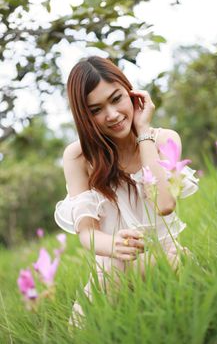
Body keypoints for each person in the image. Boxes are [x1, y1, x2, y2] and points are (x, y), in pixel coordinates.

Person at [54, 56, 199, 327]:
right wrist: (114, 245)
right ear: (84, 116)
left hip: (164, 257)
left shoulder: (164, 139)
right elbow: (86, 232)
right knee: (82, 326)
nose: (112, 114)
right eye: (96, 109)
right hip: (112, 265)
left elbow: (164, 204)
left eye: (116, 98)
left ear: (131, 92)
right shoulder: (78, 157)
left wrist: (143, 132)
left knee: (183, 296)